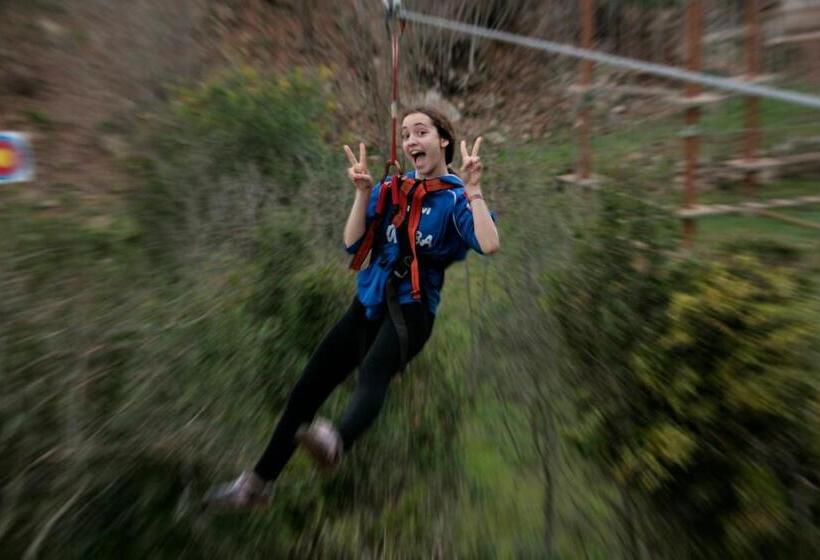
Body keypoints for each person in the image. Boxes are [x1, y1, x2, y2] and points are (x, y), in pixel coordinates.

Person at [204, 106, 499, 510]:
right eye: (407, 135)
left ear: (443, 140)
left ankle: (337, 443)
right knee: (306, 392)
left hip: (412, 311)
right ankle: (257, 485)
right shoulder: (393, 190)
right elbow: (352, 241)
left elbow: (488, 243)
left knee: (374, 371)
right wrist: (362, 194)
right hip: (369, 303)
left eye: (422, 132)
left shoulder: (454, 199)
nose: (412, 140)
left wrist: (475, 188)